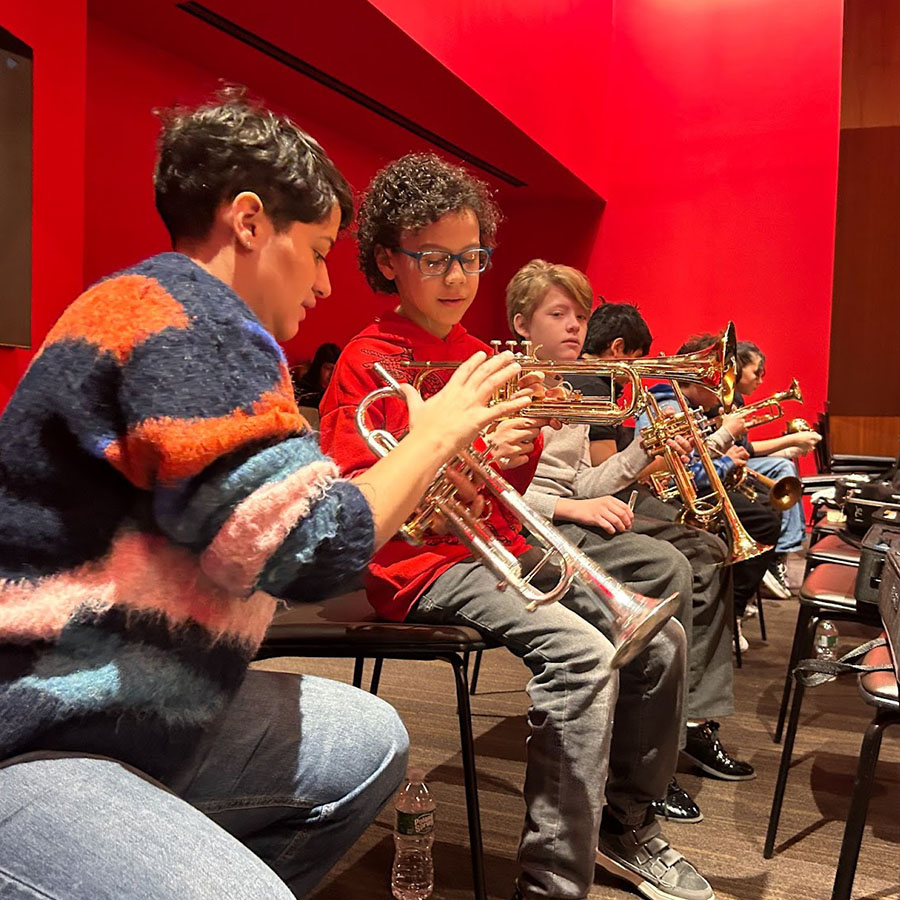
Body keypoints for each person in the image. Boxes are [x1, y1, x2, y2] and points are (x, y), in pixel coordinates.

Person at [0, 90, 533, 900]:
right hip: (45, 725)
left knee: (367, 741)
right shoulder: (185, 319)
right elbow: (303, 553)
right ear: (249, 222)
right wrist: (435, 438)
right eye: (317, 250)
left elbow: (247, 528)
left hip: (145, 702)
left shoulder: (188, 319)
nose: (324, 281)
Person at [320, 152, 713, 900]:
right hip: (423, 566)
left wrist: (517, 445)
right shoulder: (369, 360)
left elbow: (512, 486)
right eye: (434, 258)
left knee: (660, 638)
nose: (459, 276)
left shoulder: (481, 357)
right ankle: (550, 881)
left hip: (500, 543)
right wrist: (454, 452)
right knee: (581, 657)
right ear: (386, 262)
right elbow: (357, 495)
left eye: (472, 256)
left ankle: (626, 829)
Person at [508, 271, 752, 826]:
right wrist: (570, 509)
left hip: (560, 521)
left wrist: (645, 448)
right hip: (522, 531)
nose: (574, 325)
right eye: (557, 314)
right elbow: (488, 485)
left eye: (579, 314)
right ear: (521, 325)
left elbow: (588, 484)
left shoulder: (571, 389)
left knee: (690, 554)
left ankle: (663, 748)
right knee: (670, 563)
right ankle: (642, 770)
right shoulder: (508, 386)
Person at [634, 333, 783, 645]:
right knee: (762, 519)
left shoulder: (689, 406)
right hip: (671, 500)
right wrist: (726, 454)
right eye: (716, 379)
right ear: (697, 379)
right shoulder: (668, 406)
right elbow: (681, 474)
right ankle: (733, 610)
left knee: (766, 507)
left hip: (694, 492)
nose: (723, 389)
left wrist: (727, 453)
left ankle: (734, 606)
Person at [730, 340, 821, 599]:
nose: (760, 379)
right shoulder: (726, 400)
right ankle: (778, 554)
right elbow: (745, 450)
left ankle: (779, 553)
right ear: (736, 369)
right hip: (724, 469)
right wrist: (790, 441)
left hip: (734, 463)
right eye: (757, 372)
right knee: (783, 467)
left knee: (785, 464)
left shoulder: (735, 398)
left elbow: (744, 448)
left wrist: (788, 448)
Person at [293, 340, 340, 408]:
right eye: (328, 368)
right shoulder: (302, 392)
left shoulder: (339, 394)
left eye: (335, 369)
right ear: (318, 367)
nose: (332, 374)